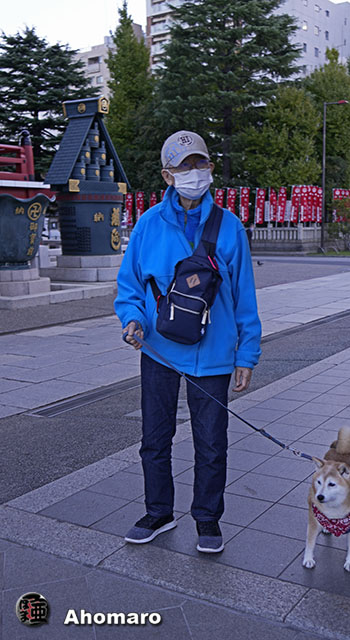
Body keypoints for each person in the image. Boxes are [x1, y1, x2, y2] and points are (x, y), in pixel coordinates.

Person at [115, 130, 261, 553]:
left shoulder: (229, 226)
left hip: (213, 354)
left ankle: (207, 518)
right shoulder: (148, 224)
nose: (194, 173)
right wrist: (132, 320)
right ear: (168, 175)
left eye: (200, 163)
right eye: (184, 166)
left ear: (210, 168)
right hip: (159, 349)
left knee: (212, 443)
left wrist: (247, 354)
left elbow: (245, 297)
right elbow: (130, 285)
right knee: (154, 439)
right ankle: (159, 512)